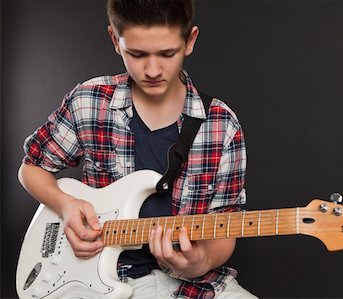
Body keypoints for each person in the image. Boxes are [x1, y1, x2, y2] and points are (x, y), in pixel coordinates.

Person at [18, 0, 257, 298]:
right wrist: (66, 206)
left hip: (192, 284)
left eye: (167, 53)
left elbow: (227, 222)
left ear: (190, 40)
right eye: (137, 53)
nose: (153, 69)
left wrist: (201, 262)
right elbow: (32, 168)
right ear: (114, 41)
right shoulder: (89, 101)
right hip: (93, 277)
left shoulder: (222, 125)